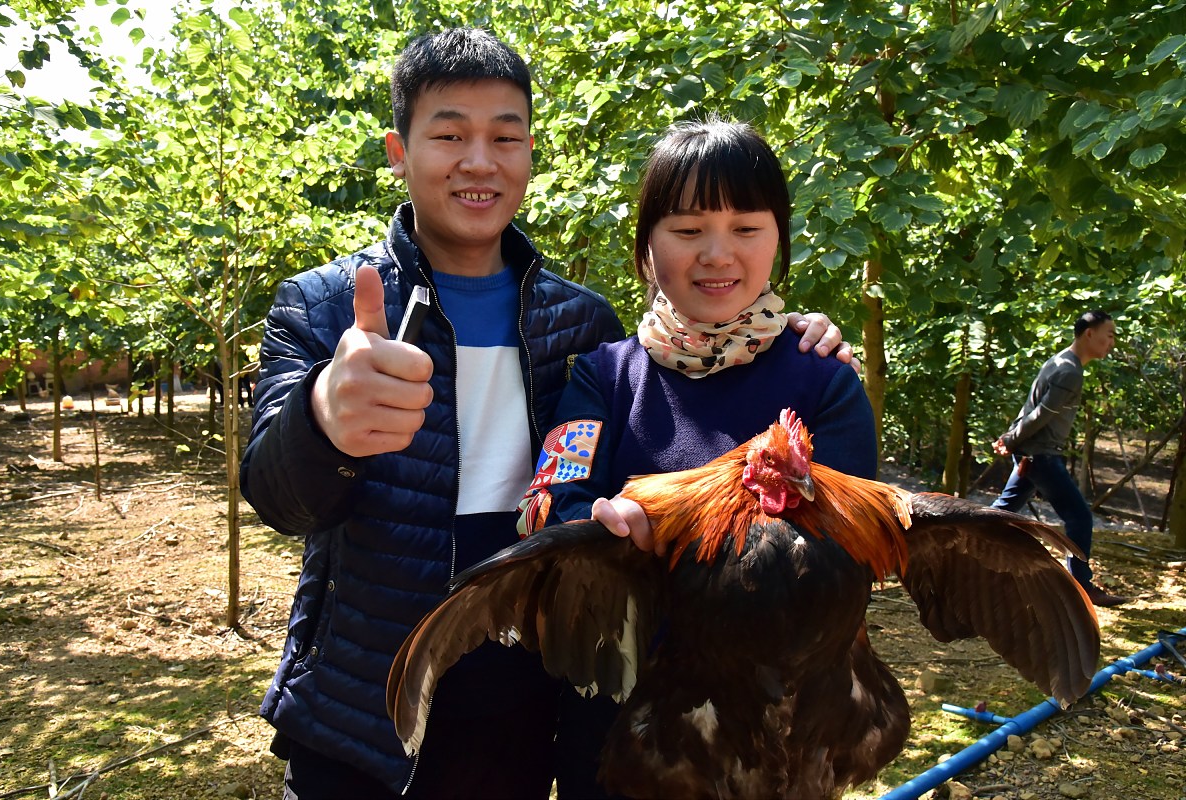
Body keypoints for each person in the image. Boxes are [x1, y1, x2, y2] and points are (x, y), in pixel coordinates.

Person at [240, 30, 855, 800]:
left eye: (505, 137)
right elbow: (276, 494)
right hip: (363, 704)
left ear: (531, 151)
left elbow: (653, 411)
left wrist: (799, 342)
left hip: (524, 702)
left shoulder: (580, 325)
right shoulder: (326, 305)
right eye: (449, 134)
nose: (479, 161)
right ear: (399, 151)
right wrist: (321, 418)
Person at [516, 118, 879, 799]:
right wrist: (604, 526)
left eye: (747, 228)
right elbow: (549, 505)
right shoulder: (604, 376)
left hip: (780, 737)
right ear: (648, 249)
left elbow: (850, 558)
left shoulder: (823, 380)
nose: (718, 253)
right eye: (687, 231)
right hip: (621, 724)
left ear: (780, 241)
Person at [990, 310, 1127, 607]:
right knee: (1079, 517)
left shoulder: (1060, 361)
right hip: (1040, 456)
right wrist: (1011, 439)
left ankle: (956, 552)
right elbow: (1040, 415)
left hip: (1031, 454)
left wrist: (1011, 438)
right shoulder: (1069, 371)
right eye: (1110, 335)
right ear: (1089, 333)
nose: (1112, 342)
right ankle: (1080, 586)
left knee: (998, 515)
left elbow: (1032, 410)